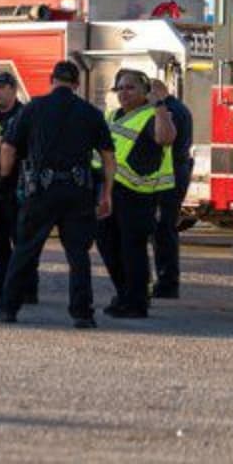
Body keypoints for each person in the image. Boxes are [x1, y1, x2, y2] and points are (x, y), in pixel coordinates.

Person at [0, 61, 114, 328]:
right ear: (77, 84)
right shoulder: (91, 113)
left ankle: (8, 308)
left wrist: (4, 178)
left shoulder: (33, 108)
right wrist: (107, 194)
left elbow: (8, 148)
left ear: (52, 80)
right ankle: (82, 313)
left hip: (41, 192)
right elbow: (108, 156)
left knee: (25, 250)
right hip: (78, 192)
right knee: (78, 255)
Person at [95, 69, 177, 319]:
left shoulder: (153, 115)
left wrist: (160, 106)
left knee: (132, 249)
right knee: (107, 245)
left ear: (144, 92)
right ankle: (124, 294)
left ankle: (136, 302)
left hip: (137, 195)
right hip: (108, 191)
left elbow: (166, 138)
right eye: (119, 88)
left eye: (130, 87)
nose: (123, 93)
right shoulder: (112, 116)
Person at [0, 72, 37, 304]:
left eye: (3, 87)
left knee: (21, 240)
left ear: (14, 89)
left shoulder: (24, 115)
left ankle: (28, 289)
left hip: (18, 187)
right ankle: (1, 285)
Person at [149, 78, 192, 299]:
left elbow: (162, 142)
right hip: (178, 173)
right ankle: (166, 281)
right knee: (165, 229)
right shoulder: (180, 108)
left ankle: (167, 282)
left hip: (168, 178)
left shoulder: (168, 111)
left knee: (163, 230)